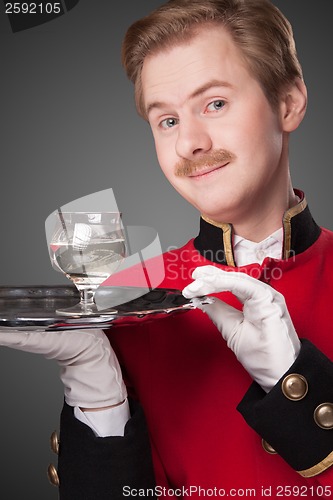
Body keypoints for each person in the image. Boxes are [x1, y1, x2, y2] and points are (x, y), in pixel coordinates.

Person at [1, 0, 333, 498]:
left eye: (215, 103)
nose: (190, 144)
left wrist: (297, 381)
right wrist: (98, 390)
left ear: (288, 103)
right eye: (168, 121)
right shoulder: (130, 293)